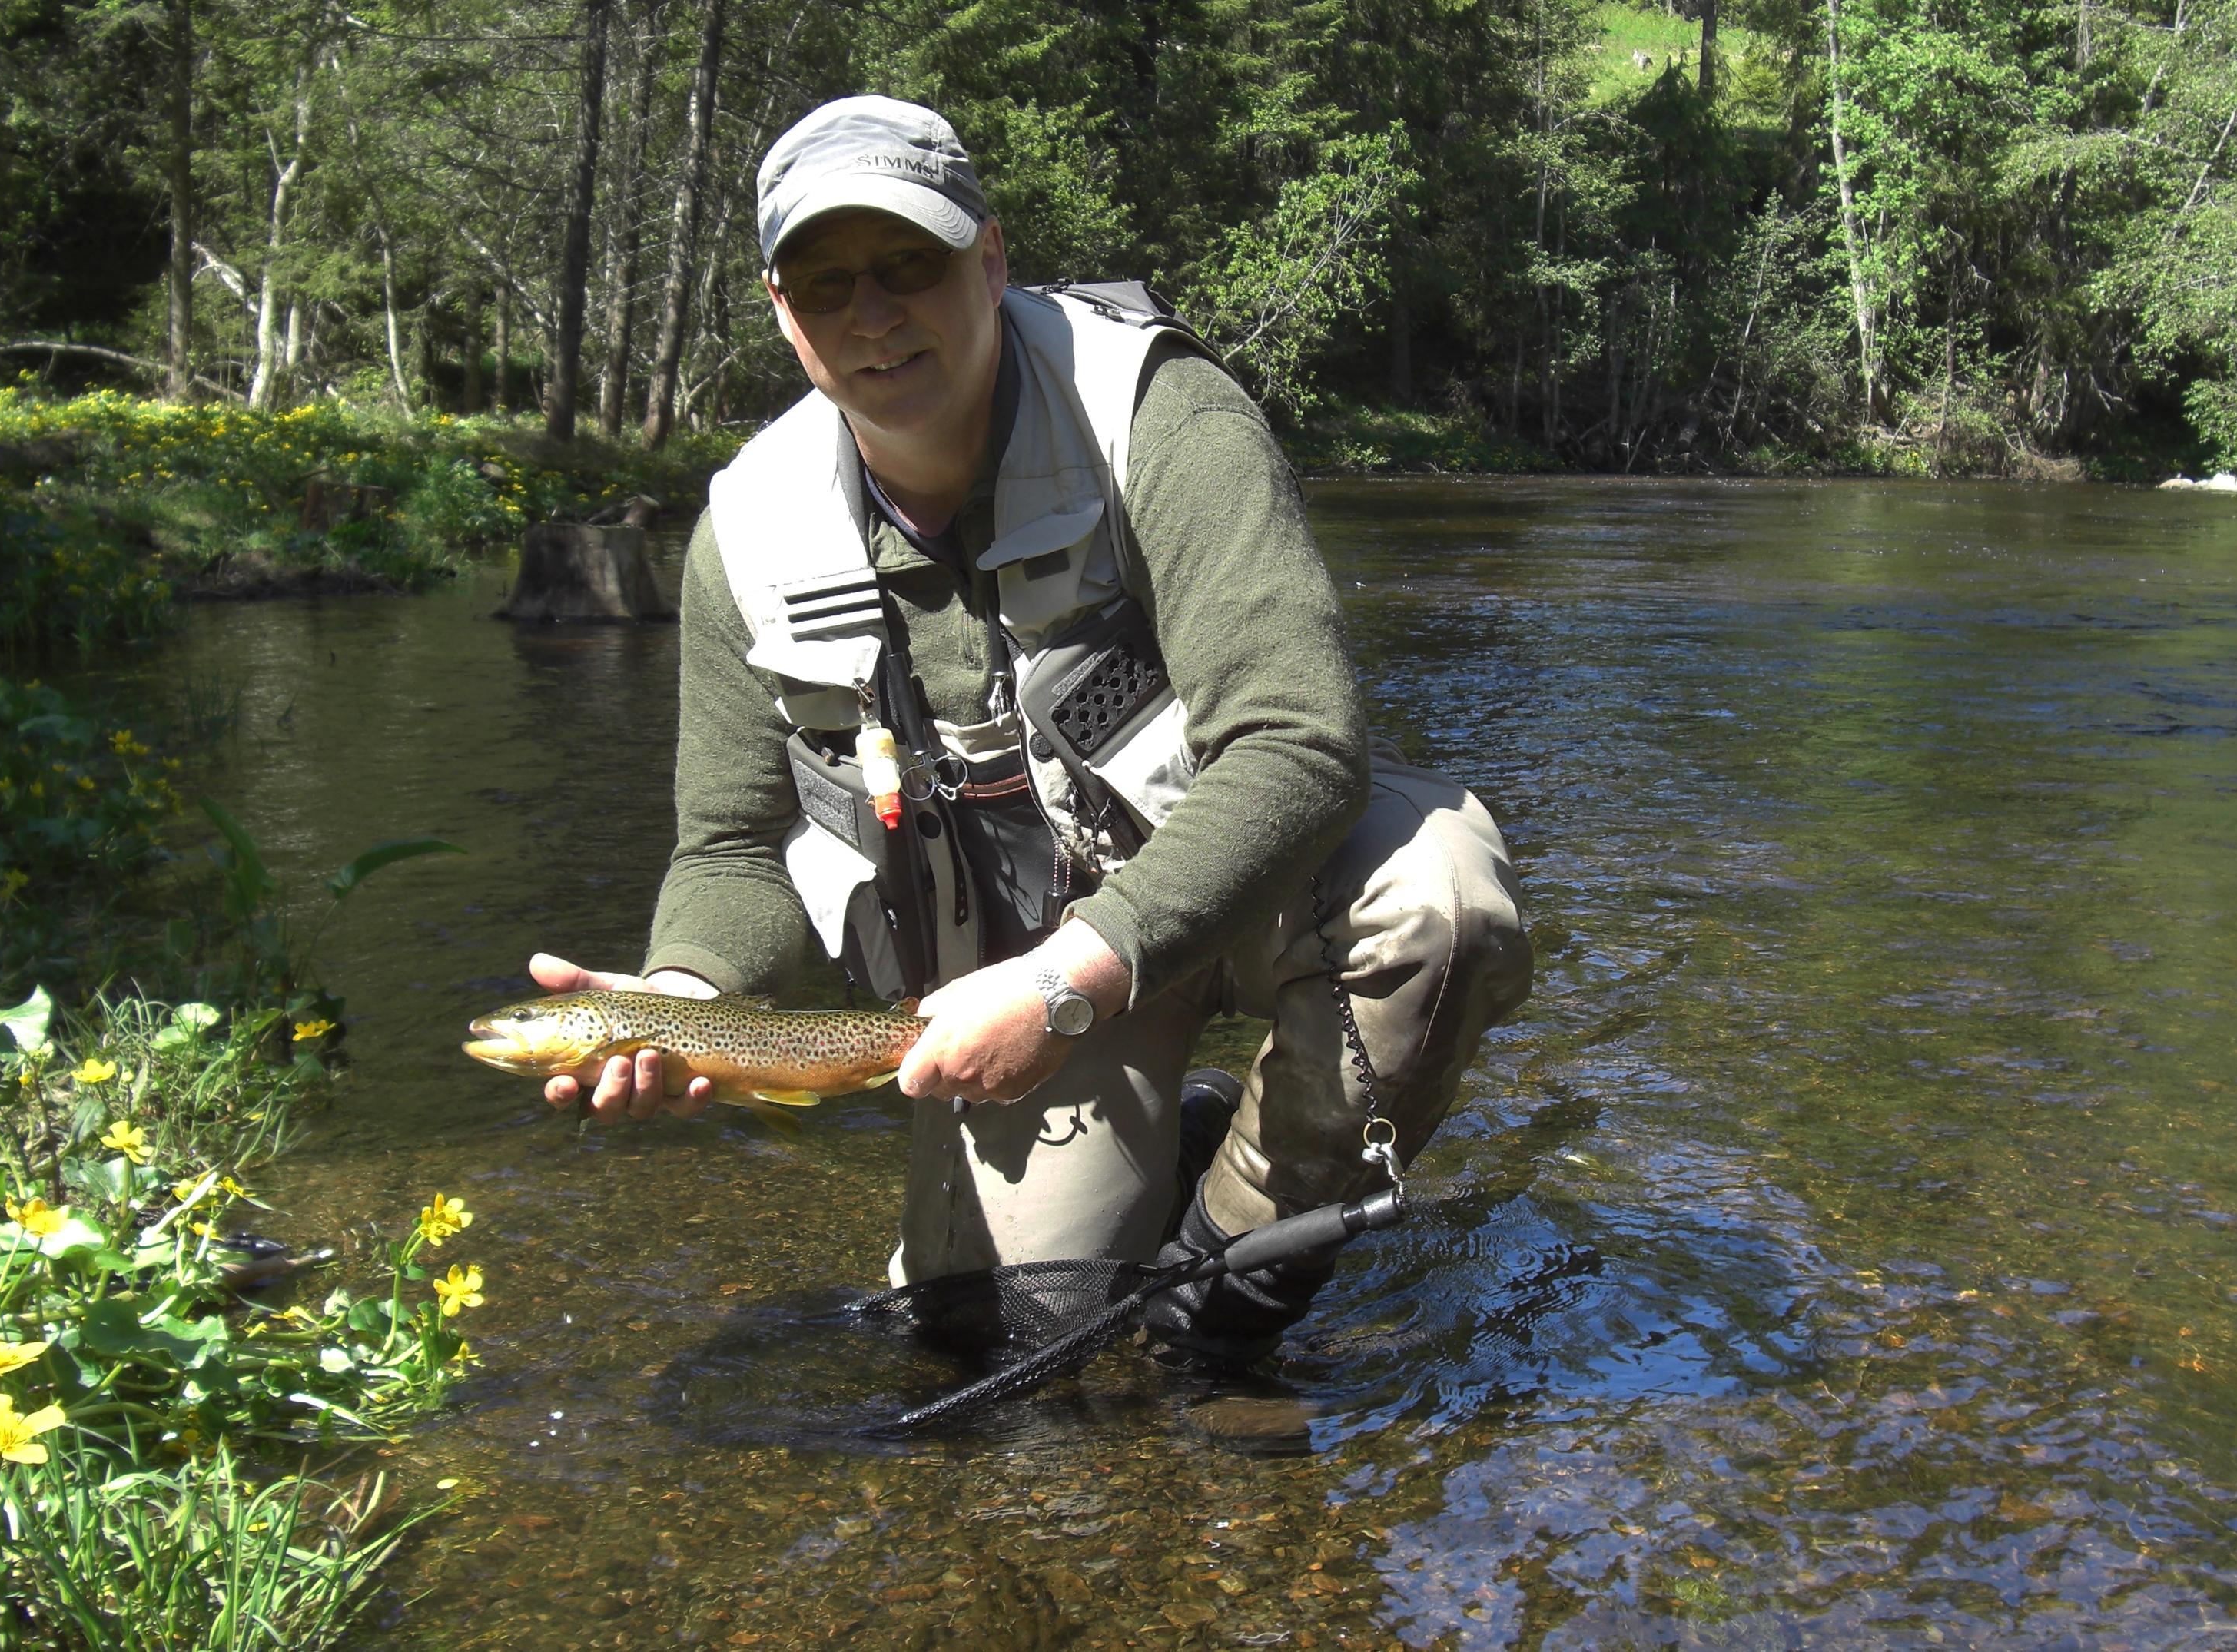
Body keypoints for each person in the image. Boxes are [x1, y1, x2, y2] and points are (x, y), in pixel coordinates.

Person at [531, 94, 1529, 1370]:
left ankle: (1227, 1281)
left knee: (1439, 901)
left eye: (910, 263)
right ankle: (1177, 1147)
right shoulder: (748, 538)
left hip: (1208, 907)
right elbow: (732, 846)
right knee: (1002, 1347)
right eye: (828, 284)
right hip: (989, 988)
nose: (873, 314)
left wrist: (1071, 978)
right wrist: (682, 997)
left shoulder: (1159, 417)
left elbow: (1300, 739)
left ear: (990, 260)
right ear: (784, 313)